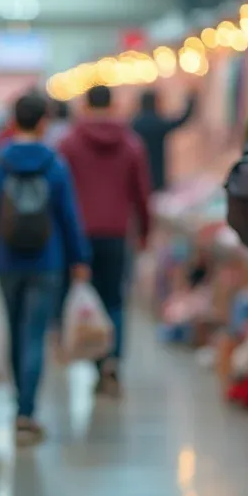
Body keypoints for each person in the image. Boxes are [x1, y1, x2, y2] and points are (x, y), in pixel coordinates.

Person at [0, 92, 91, 445]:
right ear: (42, 122)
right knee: (35, 334)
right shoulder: (55, 165)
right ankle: (27, 413)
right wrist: (79, 259)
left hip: (7, 262)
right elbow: (69, 216)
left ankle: (17, 405)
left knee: (14, 331)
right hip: (47, 261)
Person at [59, 84, 152, 396]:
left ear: (85, 105)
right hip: (116, 233)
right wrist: (145, 231)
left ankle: (91, 359)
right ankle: (112, 361)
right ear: (113, 106)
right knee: (114, 300)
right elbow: (141, 193)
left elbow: (60, 194)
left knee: (84, 299)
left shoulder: (69, 144)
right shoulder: (131, 144)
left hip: (78, 235)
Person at [132, 88, 196, 192]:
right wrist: (191, 100)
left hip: (139, 174)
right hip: (158, 176)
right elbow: (180, 120)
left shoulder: (135, 124)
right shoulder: (158, 124)